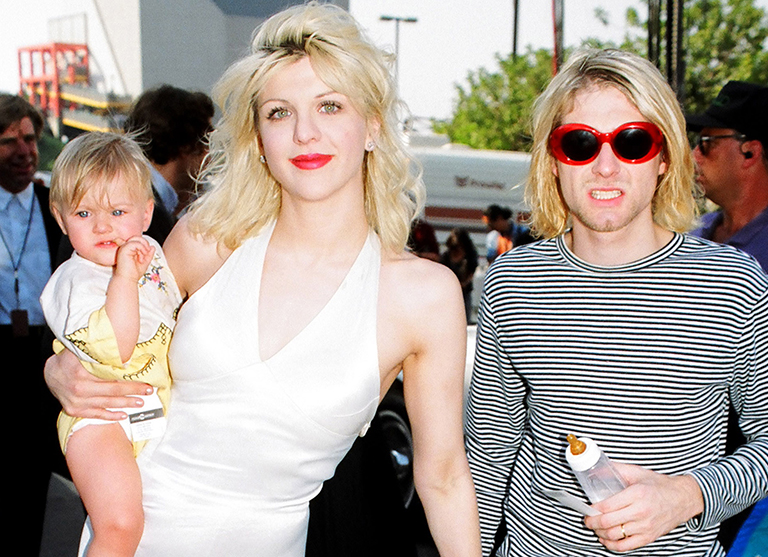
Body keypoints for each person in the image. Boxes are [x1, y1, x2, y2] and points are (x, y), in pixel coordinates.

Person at [45, 3, 480, 556]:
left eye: (330, 105)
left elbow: (441, 477)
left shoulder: (422, 295)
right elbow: (94, 316)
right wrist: (59, 367)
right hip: (132, 532)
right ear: (257, 136)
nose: (305, 133)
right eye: (279, 112)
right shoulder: (211, 238)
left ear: (372, 126)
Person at [465, 48, 768, 557]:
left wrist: (689, 494)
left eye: (632, 142)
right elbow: (488, 460)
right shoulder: (511, 283)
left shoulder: (732, 281)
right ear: (553, 160)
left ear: (665, 158)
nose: (605, 166)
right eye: (579, 143)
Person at [41, 131, 182, 557]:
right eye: (84, 213)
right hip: (99, 422)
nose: (103, 226)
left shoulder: (153, 254)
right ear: (61, 219)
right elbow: (114, 349)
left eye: (117, 211)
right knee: (120, 527)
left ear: (146, 214)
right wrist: (124, 278)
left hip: (149, 414)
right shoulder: (75, 280)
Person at [688, 81, 768, 557]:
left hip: (764, 485)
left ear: (750, 151)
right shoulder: (691, 240)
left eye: (707, 142)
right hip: (687, 474)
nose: (694, 154)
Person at [0, 92, 65, 553]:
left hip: (43, 358)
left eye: (29, 138)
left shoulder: (55, 207)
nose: (24, 150)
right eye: (8, 141)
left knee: (32, 484)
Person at [123, 84, 214, 222]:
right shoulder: (142, 212)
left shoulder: (128, 191)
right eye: (207, 140)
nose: (210, 156)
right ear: (186, 145)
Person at [440, 227, 478, 321]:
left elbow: (472, 271)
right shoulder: (446, 257)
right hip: (448, 293)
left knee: (465, 318)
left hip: (465, 292)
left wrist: (463, 284)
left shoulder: (470, 256)